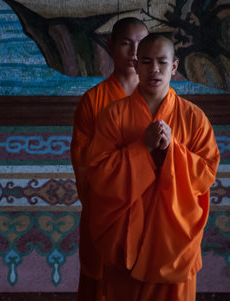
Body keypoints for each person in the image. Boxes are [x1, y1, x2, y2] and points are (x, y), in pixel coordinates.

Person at [86, 33, 220, 300]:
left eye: (162, 62)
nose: (154, 69)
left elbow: (206, 175)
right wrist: (142, 148)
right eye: (146, 62)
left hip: (174, 241)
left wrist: (173, 150)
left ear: (174, 66)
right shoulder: (114, 115)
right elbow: (98, 175)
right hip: (126, 239)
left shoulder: (193, 117)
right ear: (136, 65)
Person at [70, 17, 148, 301]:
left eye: (141, 45)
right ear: (111, 46)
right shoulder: (93, 100)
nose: (134, 53)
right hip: (105, 212)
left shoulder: (158, 98)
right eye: (126, 44)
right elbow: (84, 164)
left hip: (148, 213)